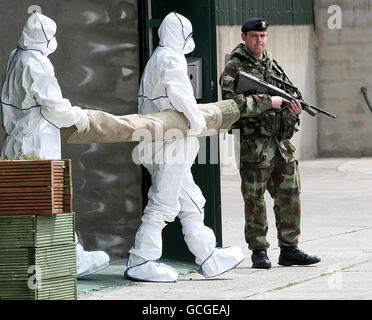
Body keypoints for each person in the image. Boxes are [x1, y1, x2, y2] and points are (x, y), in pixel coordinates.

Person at [125, 11, 245, 283]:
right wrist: (198, 122)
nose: (190, 40)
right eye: (188, 35)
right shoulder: (169, 58)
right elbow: (180, 95)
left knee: (190, 201)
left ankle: (207, 256)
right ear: (179, 35)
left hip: (167, 146)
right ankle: (141, 260)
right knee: (163, 204)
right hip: (169, 147)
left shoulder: (160, 57)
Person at [0, 11, 110, 278]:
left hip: (17, 143)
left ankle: (35, 262)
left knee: (21, 205)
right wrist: (80, 117)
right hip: (37, 145)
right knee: (52, 201)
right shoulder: (35, 63)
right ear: (45, 38)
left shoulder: (16, 57)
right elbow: (54, 105)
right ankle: (72, 259)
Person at [219, 18, 321, 269]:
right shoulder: (234, 67)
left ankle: (289, 248)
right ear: (243, 37)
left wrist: (291, 110)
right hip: (254, 146)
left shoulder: (272, 65)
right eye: (254, 36)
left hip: (280, 144)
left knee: (289, 195)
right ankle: (259, 251)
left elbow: (284, 99)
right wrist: (268, 102)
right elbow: (232, 107)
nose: (259, 41)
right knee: (254, 199)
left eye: (263, 36)